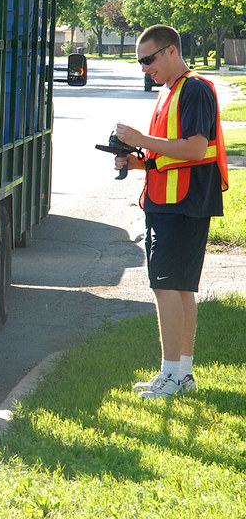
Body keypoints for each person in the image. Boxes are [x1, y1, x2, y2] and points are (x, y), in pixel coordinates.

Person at [114, 25, 227, 400]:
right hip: (174, 200)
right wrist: (138, 162)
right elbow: (173, 151)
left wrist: (140, 141)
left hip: (182, 203)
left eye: (148, 59)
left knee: (166, 287)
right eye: (140, 61)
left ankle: (172, 376)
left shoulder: (192, 88)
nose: (145, 67)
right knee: (178, 288)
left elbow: (195, 149)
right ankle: (182, 373)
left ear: (171, 51)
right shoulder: (173, 90)